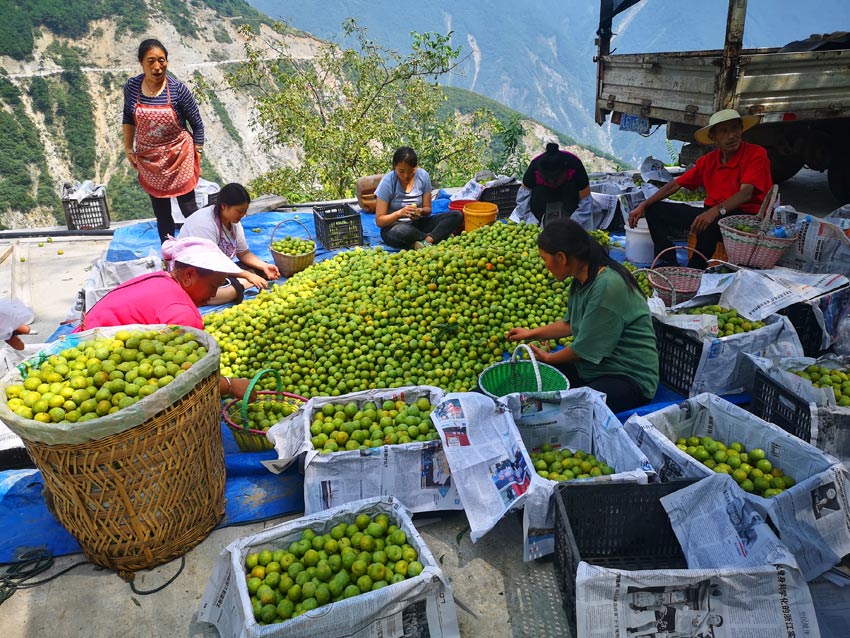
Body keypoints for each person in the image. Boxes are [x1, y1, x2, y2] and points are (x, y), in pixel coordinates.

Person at [506, 219, 658, 413]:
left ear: (561, 257)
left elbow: (584, 349)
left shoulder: (607, 285)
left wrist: (550, 358)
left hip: (628, 377)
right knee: (529, 383)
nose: (545, 266)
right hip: (595, 368)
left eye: (545, 259)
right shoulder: (581, 280)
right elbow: (569, 324)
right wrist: (530, 334)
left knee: (566, 409)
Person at [78, 237, 251, 399]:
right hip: (90, 366)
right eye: (213, 286)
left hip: (82, 343)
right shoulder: (183, 315)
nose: (214, 293)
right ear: (189, 275)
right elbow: (186, 378)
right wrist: (230, 385)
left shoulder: (160, 278)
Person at [628, 109, 773, 269]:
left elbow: (746, 193)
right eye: (724, 131)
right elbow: (675, 185)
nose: (731, 135)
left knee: (710, 225)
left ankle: (694, 271)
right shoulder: (708, 161)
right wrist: (643, 205)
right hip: (713, 213)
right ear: (713, 138)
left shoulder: (756, 154)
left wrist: (714, 212)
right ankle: (666, 261)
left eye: (734, 129)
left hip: (745, 218)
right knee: (655, 209)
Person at [123, 38, 204, 244]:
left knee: (189, 209)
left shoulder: (178, 90)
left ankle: (204, 248)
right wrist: (128, 148)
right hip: (150, 160)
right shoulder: (132, 87)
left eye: (162, 60)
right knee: (162, 212)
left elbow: (197, 124)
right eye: (151, 61)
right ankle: (169, 254)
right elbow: (128, 118)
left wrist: (198, 151)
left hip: (179, 156)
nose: (157, 67)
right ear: (141, 62)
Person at [178, 182, 280, 304]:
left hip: (219, 270)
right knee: (220, 291)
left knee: (260, 269)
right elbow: (212, 265)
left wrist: (263, 266)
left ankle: (241, 283)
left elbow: (243, 253)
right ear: (224, 206)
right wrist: (248, 276)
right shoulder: (204, 224)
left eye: (245, 211)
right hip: (198, 274)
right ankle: (238, 287)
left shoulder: (234, 222)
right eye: (239, 211)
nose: (243, 215)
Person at [375, 147, 463, 249]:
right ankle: (436, 237)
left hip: (417, 223)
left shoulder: (423, 176)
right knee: (401, 232)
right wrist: (400, 213)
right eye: (401, 171)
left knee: (457, 215)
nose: (406, 175)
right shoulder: (388, 182)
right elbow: (379, 221)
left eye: (411, 171)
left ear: (416, 166)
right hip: (394, 226)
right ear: (395, 167)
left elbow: (428, 209)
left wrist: (420, 211)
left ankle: (426, 241)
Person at [521, 142, 593, 229]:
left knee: (570, 188)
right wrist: (532, 225)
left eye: (556, 180)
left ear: (565, 170)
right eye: (548, 180)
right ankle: (540, 221)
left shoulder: (574, 165)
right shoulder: (534, 169)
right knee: (537, 192)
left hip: (568, 193)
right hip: (543, 195)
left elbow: (585, 203)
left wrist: (572, 226)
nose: (552, 182)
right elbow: (523, 202)